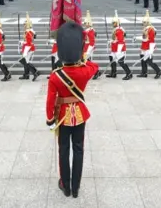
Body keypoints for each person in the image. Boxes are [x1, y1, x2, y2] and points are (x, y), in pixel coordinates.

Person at [45, 21, 99, 199]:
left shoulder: (55, 76)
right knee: (78, 150)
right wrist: (83, 57)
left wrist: (50, 119)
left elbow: (50, 101)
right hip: (80, 116)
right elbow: (95, 66)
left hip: (62, 117)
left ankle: (65, 185)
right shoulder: (84, 71)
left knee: (63, 150)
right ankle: (76, 187)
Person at [134, 10, 161, 79]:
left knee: (149, 61)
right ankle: (144, 72)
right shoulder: (146, 28)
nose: (143, 23)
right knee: (143, 59)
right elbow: (144, 38)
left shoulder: (151, 29)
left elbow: (148, 39)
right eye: (143, 22)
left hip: (149, 46)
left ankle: (158, 71)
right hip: (144, 46)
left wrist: (137, 38)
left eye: (144, 22)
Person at [108, 11, 131, 80]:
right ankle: (113, 73)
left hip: (119, 49)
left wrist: (118, 51)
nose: (112, 24)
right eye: (112, 22)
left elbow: (120, 42)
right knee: (112, 59)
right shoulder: (116, 30)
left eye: (114, 22)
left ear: (117, 23)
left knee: (121, 62)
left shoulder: (120, 30)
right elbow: (116, 39)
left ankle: (129, 73)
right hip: (114, 48)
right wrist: (111, 41)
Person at [19, 13, 40, 81]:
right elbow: (28, 41)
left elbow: (29, 42)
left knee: (26, 62)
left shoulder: (28, 32)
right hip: (28, 47)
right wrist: (23, 42)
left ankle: (35, 72)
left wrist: (25, 51)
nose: (24, 26)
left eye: (25, 24)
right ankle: (26, 74)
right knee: (25, 61)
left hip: (29, 48)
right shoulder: (29, 31)